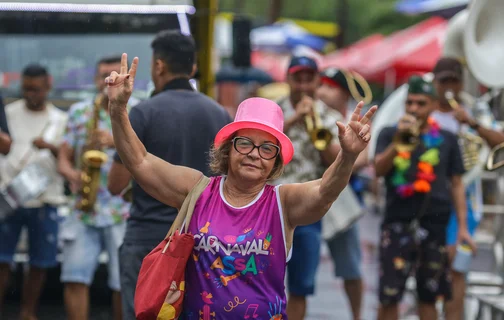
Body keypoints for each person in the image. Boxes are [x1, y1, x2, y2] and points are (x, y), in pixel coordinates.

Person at [105, 52, 376, 318]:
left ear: (276, 162)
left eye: (267, 148)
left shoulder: (283, 202)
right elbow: (139, 162)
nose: (255, 154)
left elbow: (325, 190)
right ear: (228, 149)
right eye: (245, 143)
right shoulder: (197, 190)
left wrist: (347, 156)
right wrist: (118, 111)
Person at [106, 30, 232, 320]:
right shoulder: (221, 115)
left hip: (149, 238)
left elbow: (115, 184)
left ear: (159, 66)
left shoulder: (142, 113)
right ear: (193, 68)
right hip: (205, 240)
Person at [374, 76, 475, 320]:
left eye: (421, 103)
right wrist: (399, 142)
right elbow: (377, 170)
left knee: (429, 296)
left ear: (432, 105)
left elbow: (457, 184)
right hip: (397, 223)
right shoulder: (389, 134)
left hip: (434, 227)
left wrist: (462, 228)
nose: (413, 109)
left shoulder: (447, 139)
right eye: (409, 103)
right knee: (389, 295)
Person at [276, 56, 369, 320]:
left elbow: (338, 162)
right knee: (262, 280)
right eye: (298, 78)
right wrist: (295, 120)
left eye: (309, 79)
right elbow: (264, 146)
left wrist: (313, 126)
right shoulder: (275, 111)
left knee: (301, 286)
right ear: (288, 80)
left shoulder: (329, 116)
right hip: (275, 207)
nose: (304, 85)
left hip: (310, 207)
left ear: (317, 82)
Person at [57, 55, 138, 320]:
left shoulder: (136, 110)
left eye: (114, 75)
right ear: (96, 79)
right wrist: (72, 174)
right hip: (84, 207)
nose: (109, 81)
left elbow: (145, 156)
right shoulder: (80, 112)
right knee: (73, 278)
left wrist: (115, 141)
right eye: (104, 76)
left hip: (120, 209)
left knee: (121, 283)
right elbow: (63, 157)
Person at [430, 57, 504, 320]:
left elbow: (501, 143)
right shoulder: (425, 112)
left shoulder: (476, 111)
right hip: (430, 199)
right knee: (430, 268)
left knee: (457, 268)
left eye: (454, 80)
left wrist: (472, 124)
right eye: (444, 81)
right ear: (435, 82)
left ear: (461, 82)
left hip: (467, 199)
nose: (449, 86)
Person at [0, 64, 68, 320]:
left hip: (45, 198)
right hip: (9, 196)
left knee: (39, 262)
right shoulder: (8, 112)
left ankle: (27, 313)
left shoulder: (60, 119)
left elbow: (67, 156)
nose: (31, 94)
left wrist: (49, 146)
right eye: (26, 89)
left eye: (36, 89)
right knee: (2, 259)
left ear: (48, 86)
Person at [316, 67, 371, 320]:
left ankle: (357, 316)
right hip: (307, 193)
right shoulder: (314, 115)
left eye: (328, 87)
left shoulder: (355, 118)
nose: (320, 92)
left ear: (343, 94)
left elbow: (364, 158)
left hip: (340, 203)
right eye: (321, 85)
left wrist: (345, 156)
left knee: (350, 266)